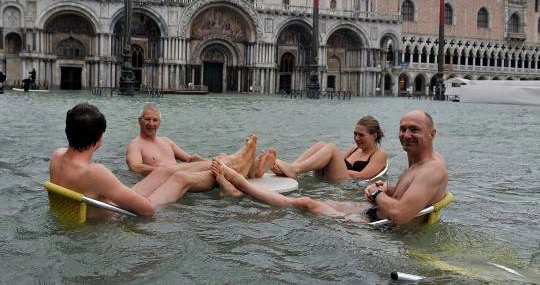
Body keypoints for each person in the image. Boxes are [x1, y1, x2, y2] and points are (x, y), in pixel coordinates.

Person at [212, 110, 448, 226]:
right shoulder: (420, 163)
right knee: (310, 194)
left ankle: (241, 184)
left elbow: (399, 215)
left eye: (414, 130)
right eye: (403, 129)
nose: (406, 135)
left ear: (432, 134)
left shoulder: (432, 168)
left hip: (378, 226)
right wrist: (387, 187)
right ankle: (269, 175)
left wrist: (377, 193)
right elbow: (411, 194)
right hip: (371, 210)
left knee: (306, 202)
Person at [49, 103, 257, 219]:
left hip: (101, 207)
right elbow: (147, 210)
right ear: (98, 139)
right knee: (180, 178)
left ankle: (230, 161)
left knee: (165, 171)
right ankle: (230, 171)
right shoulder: (95, 173)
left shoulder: (57, 156)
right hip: (116, 215)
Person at [126, 103, 275, 180]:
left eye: (155, 120)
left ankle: (251, 169)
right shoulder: (136, 145)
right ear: (139, 121)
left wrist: (200, 159)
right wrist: (166, 170)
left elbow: (189, 158)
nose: (151, 123)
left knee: (219, 157)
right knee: (220, 165)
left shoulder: (166, 141)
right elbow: (136, 168)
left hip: (183, 172)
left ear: (160, 123)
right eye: (147, 119)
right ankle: (245, 166)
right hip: (167, 177)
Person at [271, 115, 388, 181]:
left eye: (361, 135)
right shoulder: (354, 149)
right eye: (355, 134)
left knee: (331, 148)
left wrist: (335, 168)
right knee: (321, 145)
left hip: (346, 183)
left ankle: (294, 169)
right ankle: (289, 168)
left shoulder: (379, 154)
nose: (356, 138)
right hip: (334, 178)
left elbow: (363, 176)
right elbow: (335, 161)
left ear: (374, 135)